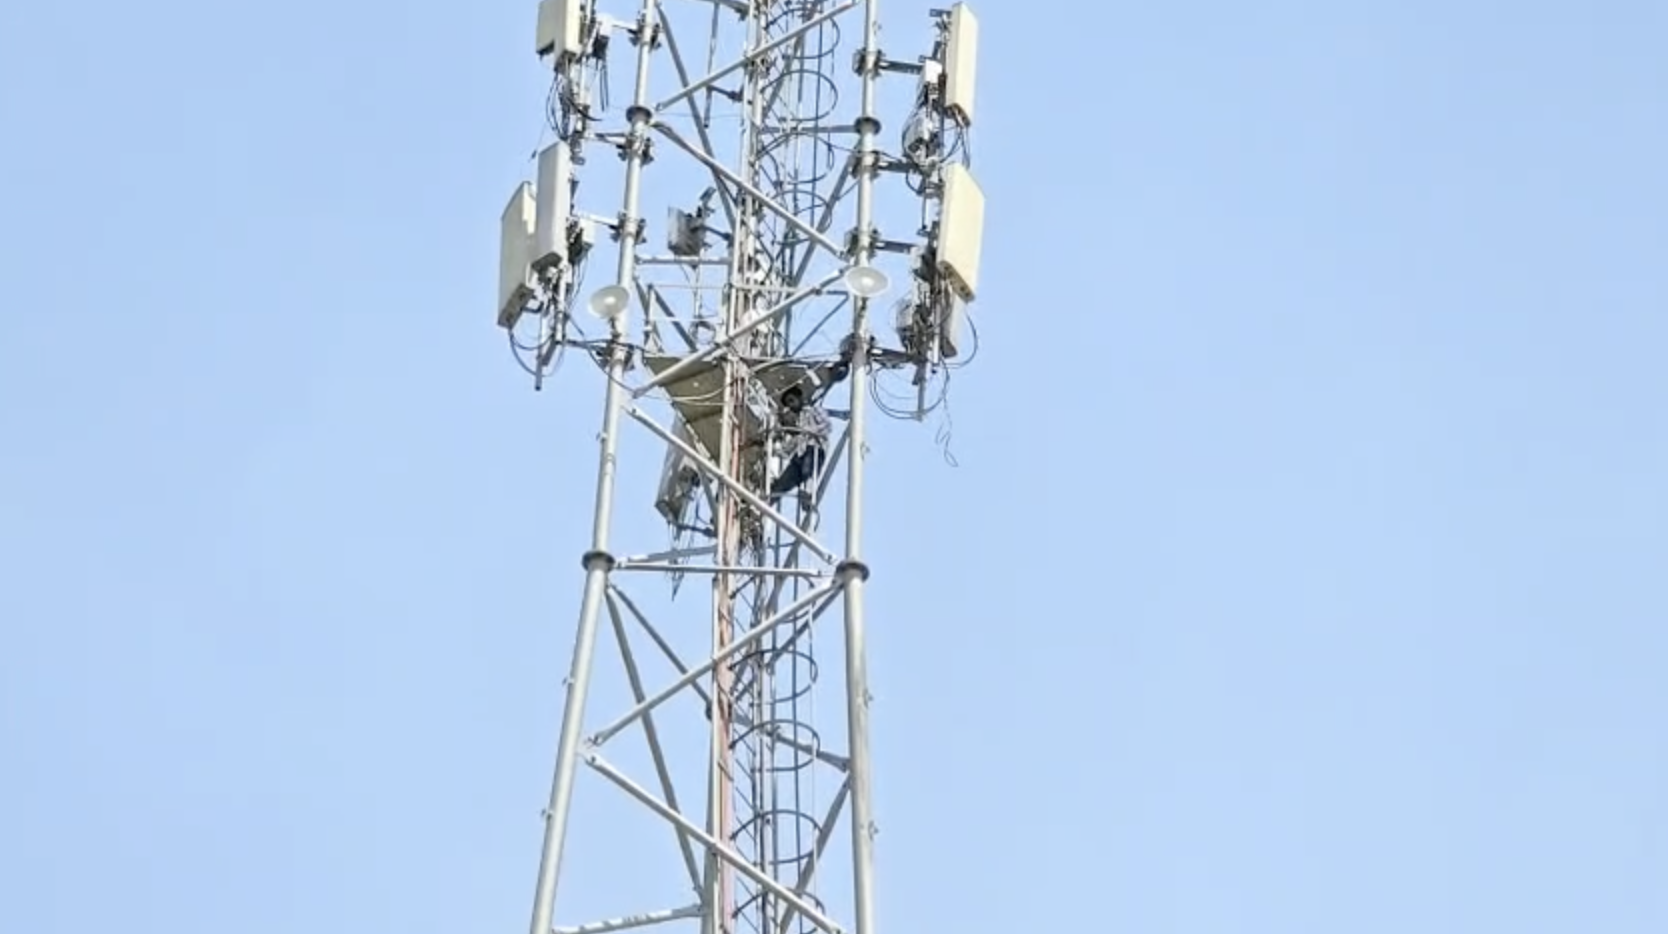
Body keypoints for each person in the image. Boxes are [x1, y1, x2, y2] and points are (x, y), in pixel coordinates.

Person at [769, 385, 830, 499]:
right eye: (788, 404)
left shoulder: (814, 410)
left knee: (808, 468)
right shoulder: (798, 420)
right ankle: (766, 501)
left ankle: (807, 491)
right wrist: (779, 450)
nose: (790, 406)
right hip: (800, 455)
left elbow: (826, 425)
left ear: (800, 398)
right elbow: (795, 441)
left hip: (814, 449)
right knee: (782, 483)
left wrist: (810, 431)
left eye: (792, 401)